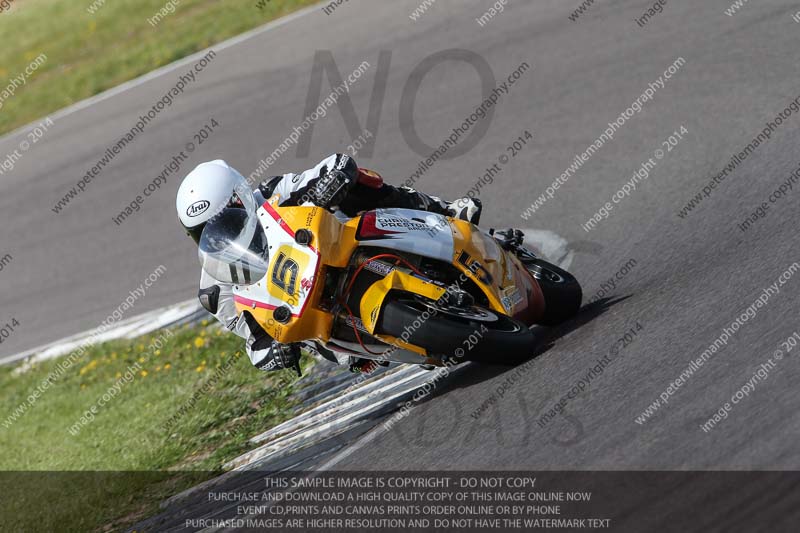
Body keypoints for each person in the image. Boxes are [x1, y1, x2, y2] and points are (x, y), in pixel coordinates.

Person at [176, 154, 482, 374]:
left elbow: (337, 164)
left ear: (241, 197)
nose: (217, 236)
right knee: (289, 334)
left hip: (338, 247)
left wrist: (332, 181)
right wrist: (272, 354)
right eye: (202, 232)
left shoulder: (272, 194)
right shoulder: (214, 291)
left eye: (222, 220)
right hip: (316, 316)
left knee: (362, 181)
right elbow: (254, 340)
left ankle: (444, 211)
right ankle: (383, 344)